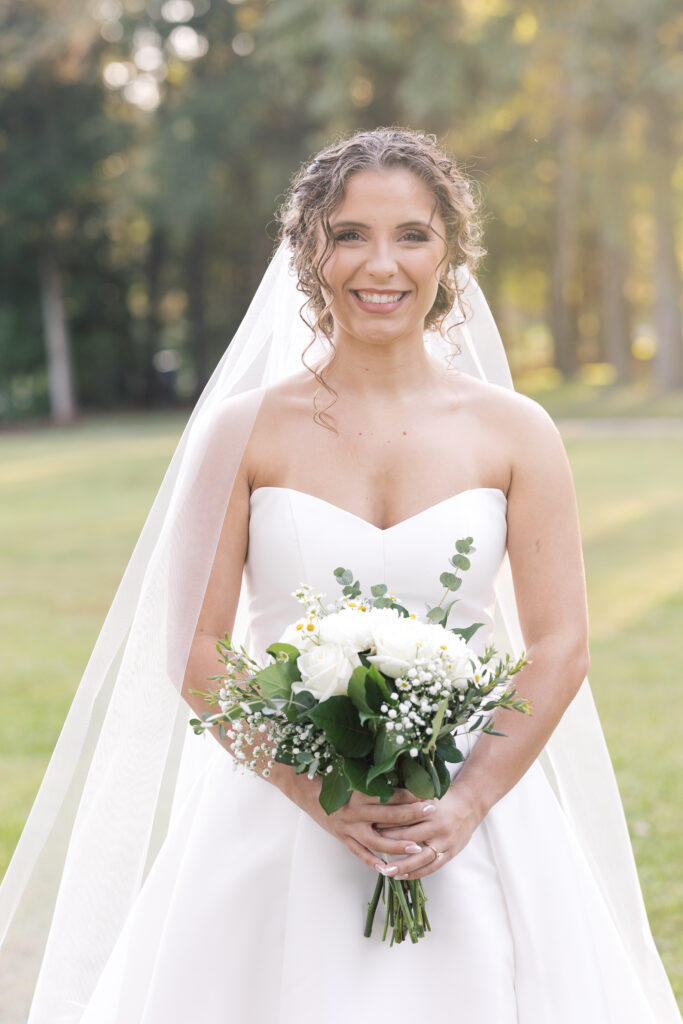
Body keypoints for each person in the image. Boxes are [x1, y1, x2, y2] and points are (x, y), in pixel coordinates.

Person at [0, 128, 680, 1024]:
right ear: (307, 250)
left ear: (451, 254)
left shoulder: (517, 433)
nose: (380, 264)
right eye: (349, 233)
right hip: (273, 814)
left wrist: (465, 801)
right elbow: (196, 653)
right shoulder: (243, 432)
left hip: (466, 809)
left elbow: (559, 645)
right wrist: (317, 793)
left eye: (412, 234)